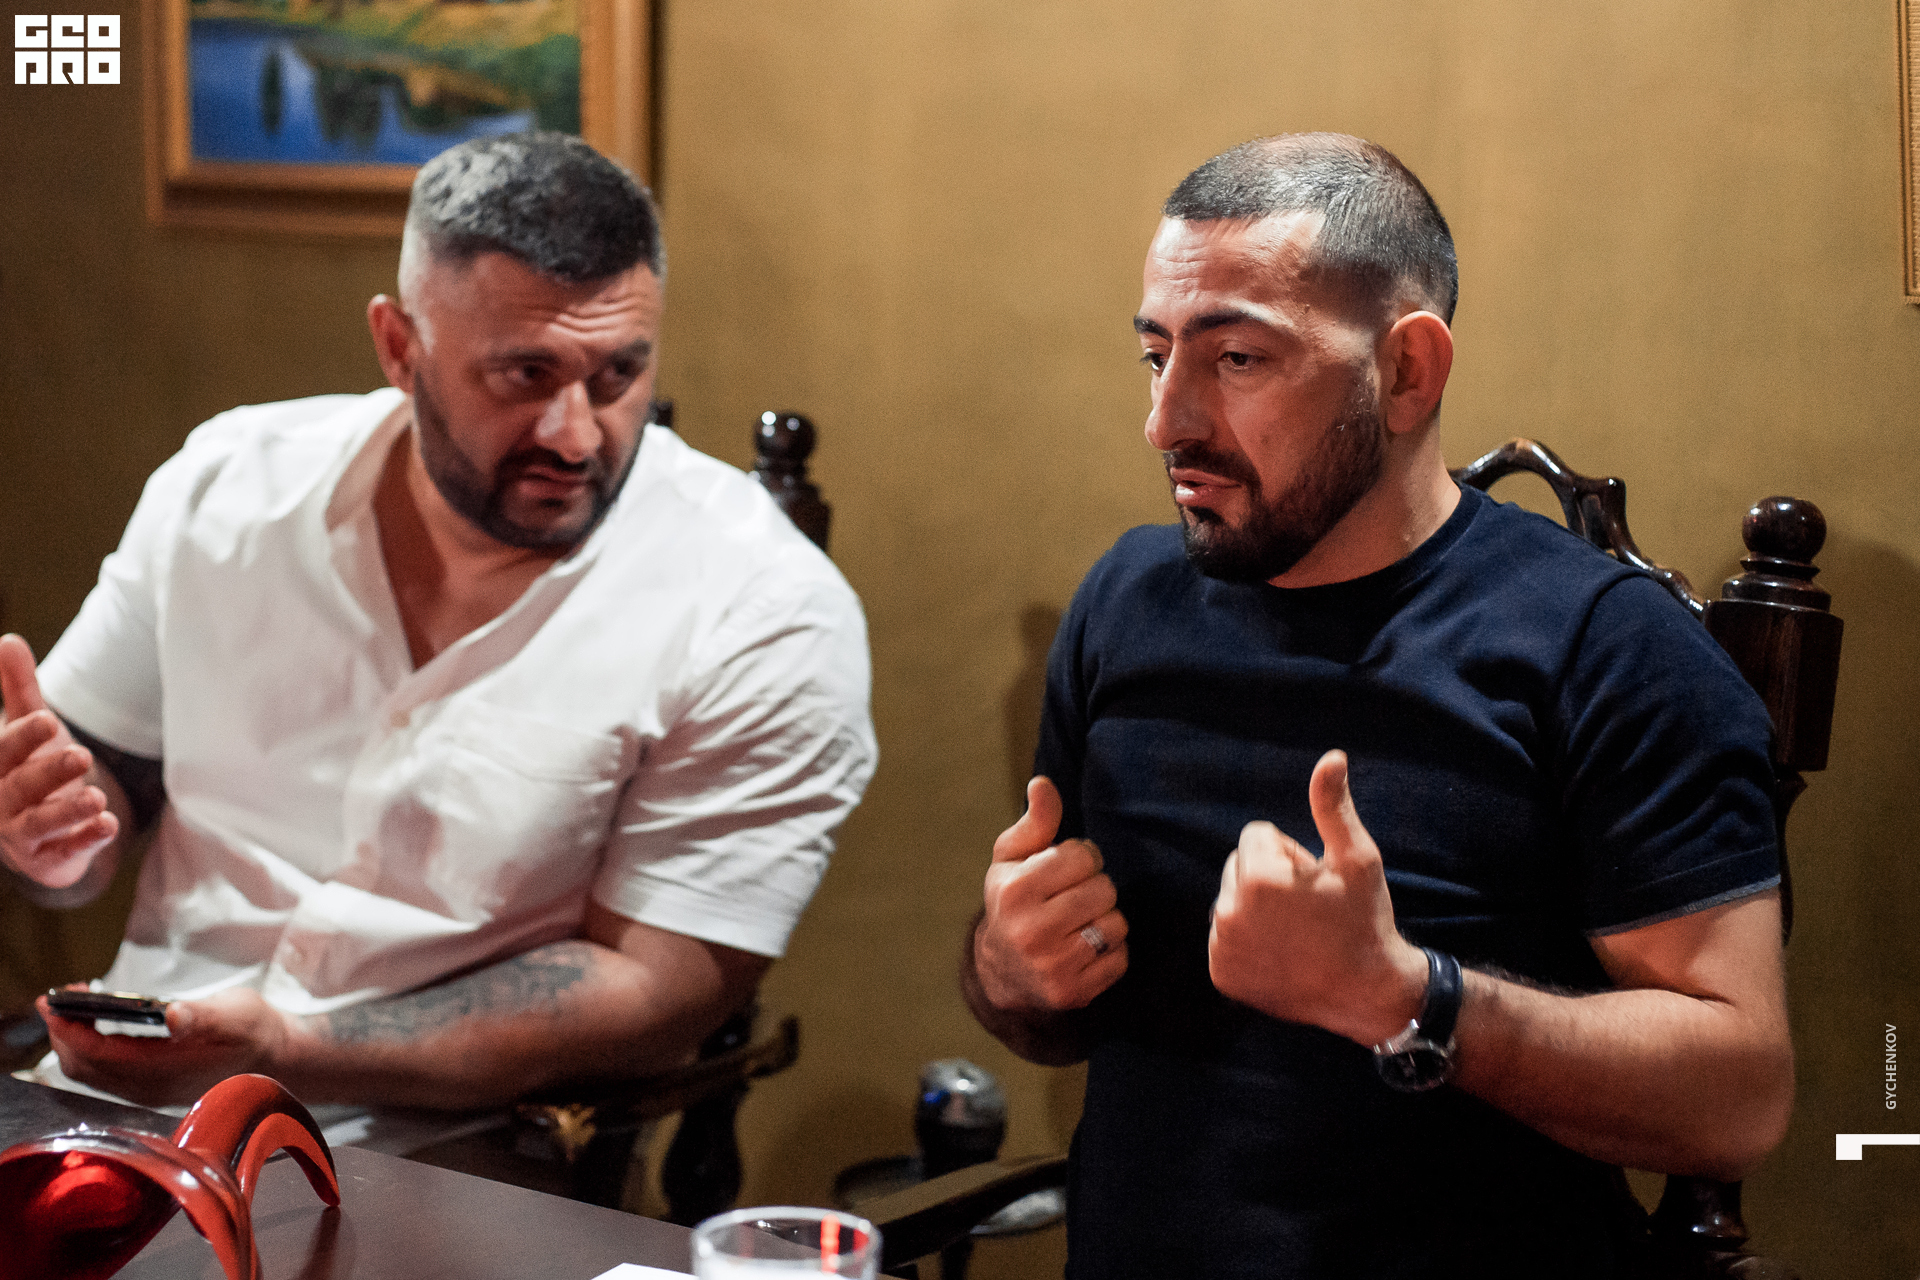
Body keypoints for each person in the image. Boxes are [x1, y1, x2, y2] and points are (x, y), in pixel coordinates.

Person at [961, 133, 1792, 1278]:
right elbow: (1043, 1004)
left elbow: (1738, 1098)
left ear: (1407, 371)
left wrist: (1407, 997)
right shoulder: (1124, 599)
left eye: (1237, 358)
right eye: (1156, 355)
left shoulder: (1604, 648)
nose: (1166, 421)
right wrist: (1010, 971)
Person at [0, 132, 876, 1117]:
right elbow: (88, 819)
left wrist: (287, 1051)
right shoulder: (229, 484)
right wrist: (46, 840)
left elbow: (659, 989)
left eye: (617, 375)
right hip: (118, 1108)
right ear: (399, 347)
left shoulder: (763, 608)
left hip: (442, 1154)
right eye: (525, 375)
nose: (576, 433)